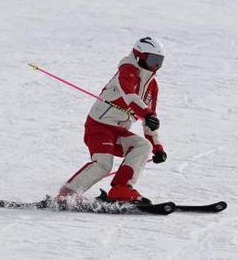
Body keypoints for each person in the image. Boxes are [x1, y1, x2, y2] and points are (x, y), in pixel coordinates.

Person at [57, 37, 168, 203]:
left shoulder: (152, 85)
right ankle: (67, 194)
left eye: (160, 61)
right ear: (140, 56)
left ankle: (121, 189)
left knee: (143, 146)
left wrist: (157, 147)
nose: (156, 66)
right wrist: (146, 113)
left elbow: (150, 117)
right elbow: (129, 94)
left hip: (118, 131)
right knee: (103, 164)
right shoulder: (127, 71)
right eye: (153, 60)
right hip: (99, 127)